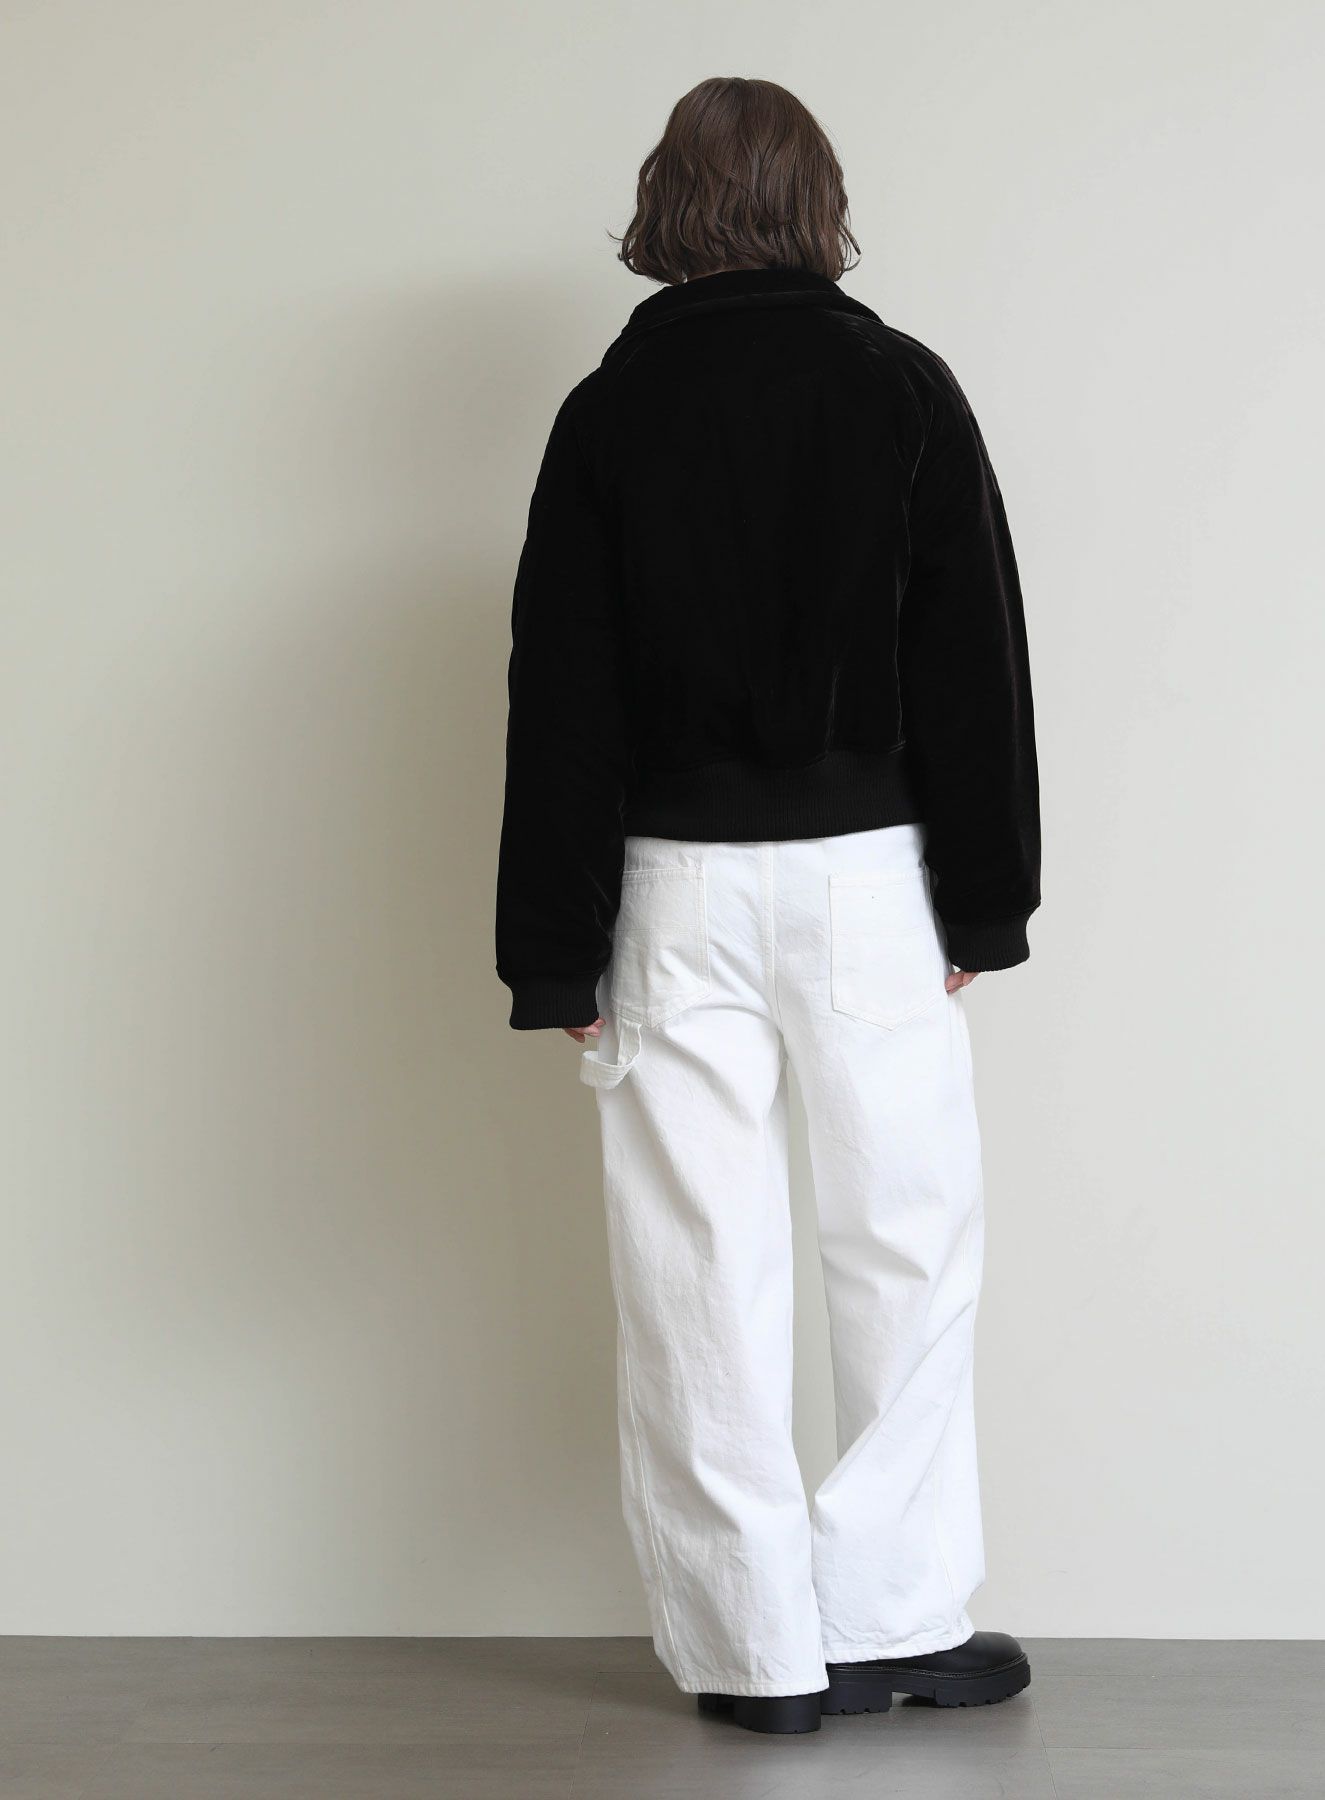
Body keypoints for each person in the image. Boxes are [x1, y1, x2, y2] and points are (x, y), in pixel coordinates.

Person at [495, 76, 1040, 1735]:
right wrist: (985, 904)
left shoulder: (608, 412)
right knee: (907, 1245)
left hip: (671, 889)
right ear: (821, 201)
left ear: (667, 204)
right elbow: (973, 659)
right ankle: (890, 1619)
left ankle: (754, 1654)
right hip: (873, 878)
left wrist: (555, 952)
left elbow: (563, 693)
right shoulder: (903, 386)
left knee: (696, 1265)